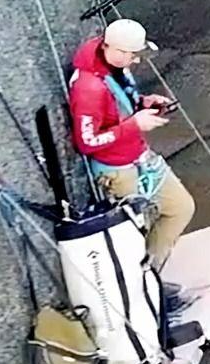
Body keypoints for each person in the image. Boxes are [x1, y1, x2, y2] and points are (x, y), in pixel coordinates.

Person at [67, 18, 197, 275]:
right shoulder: (89, 88)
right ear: (117, 51)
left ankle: (150, 271)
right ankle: (135, 280)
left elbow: (120, 105)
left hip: (138, 157)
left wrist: (143, 103)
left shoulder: (115, 69)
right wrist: (134, 124)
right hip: (115, 170)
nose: (136, 61)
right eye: (134, 55)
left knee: (181, 208)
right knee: (133, 234)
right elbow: (86, 142)